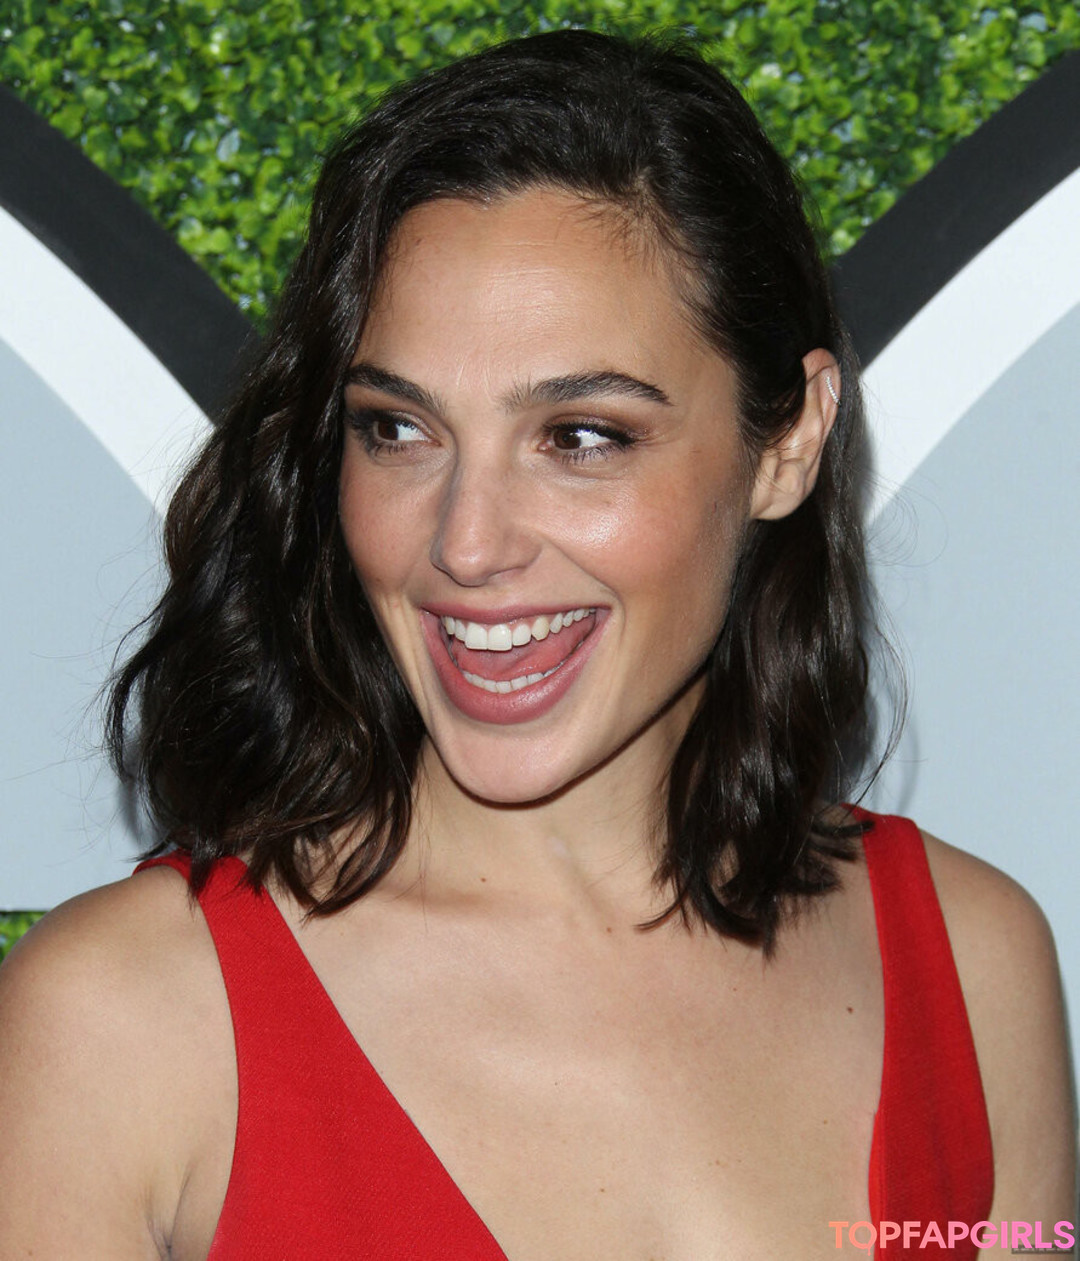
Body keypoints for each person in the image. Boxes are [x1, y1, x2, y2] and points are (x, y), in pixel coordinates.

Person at [0, 29, 1074, 1260]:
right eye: (399, 430)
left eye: (582, 436)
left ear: (788, 442)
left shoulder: (979, 968)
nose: (465, 543)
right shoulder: (122, 1024)